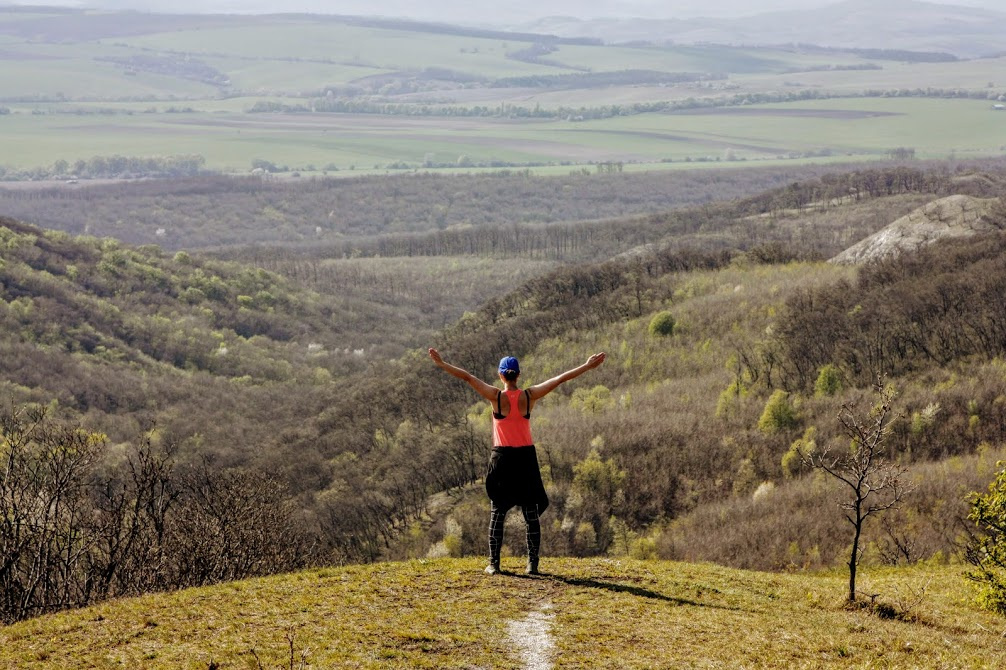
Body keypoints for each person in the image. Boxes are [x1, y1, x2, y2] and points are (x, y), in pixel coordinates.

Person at [428, 347, 606, 575]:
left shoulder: (497, 397)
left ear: (501, 375)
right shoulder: (529, 396)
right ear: (518, 375)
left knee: (497, 514)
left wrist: (443, 364)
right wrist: (587, 365)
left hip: (502, 458)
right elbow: (560, 379)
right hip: (525, 459)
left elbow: (468, 377)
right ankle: (532, 563)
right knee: (530, 515)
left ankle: (494, 564)